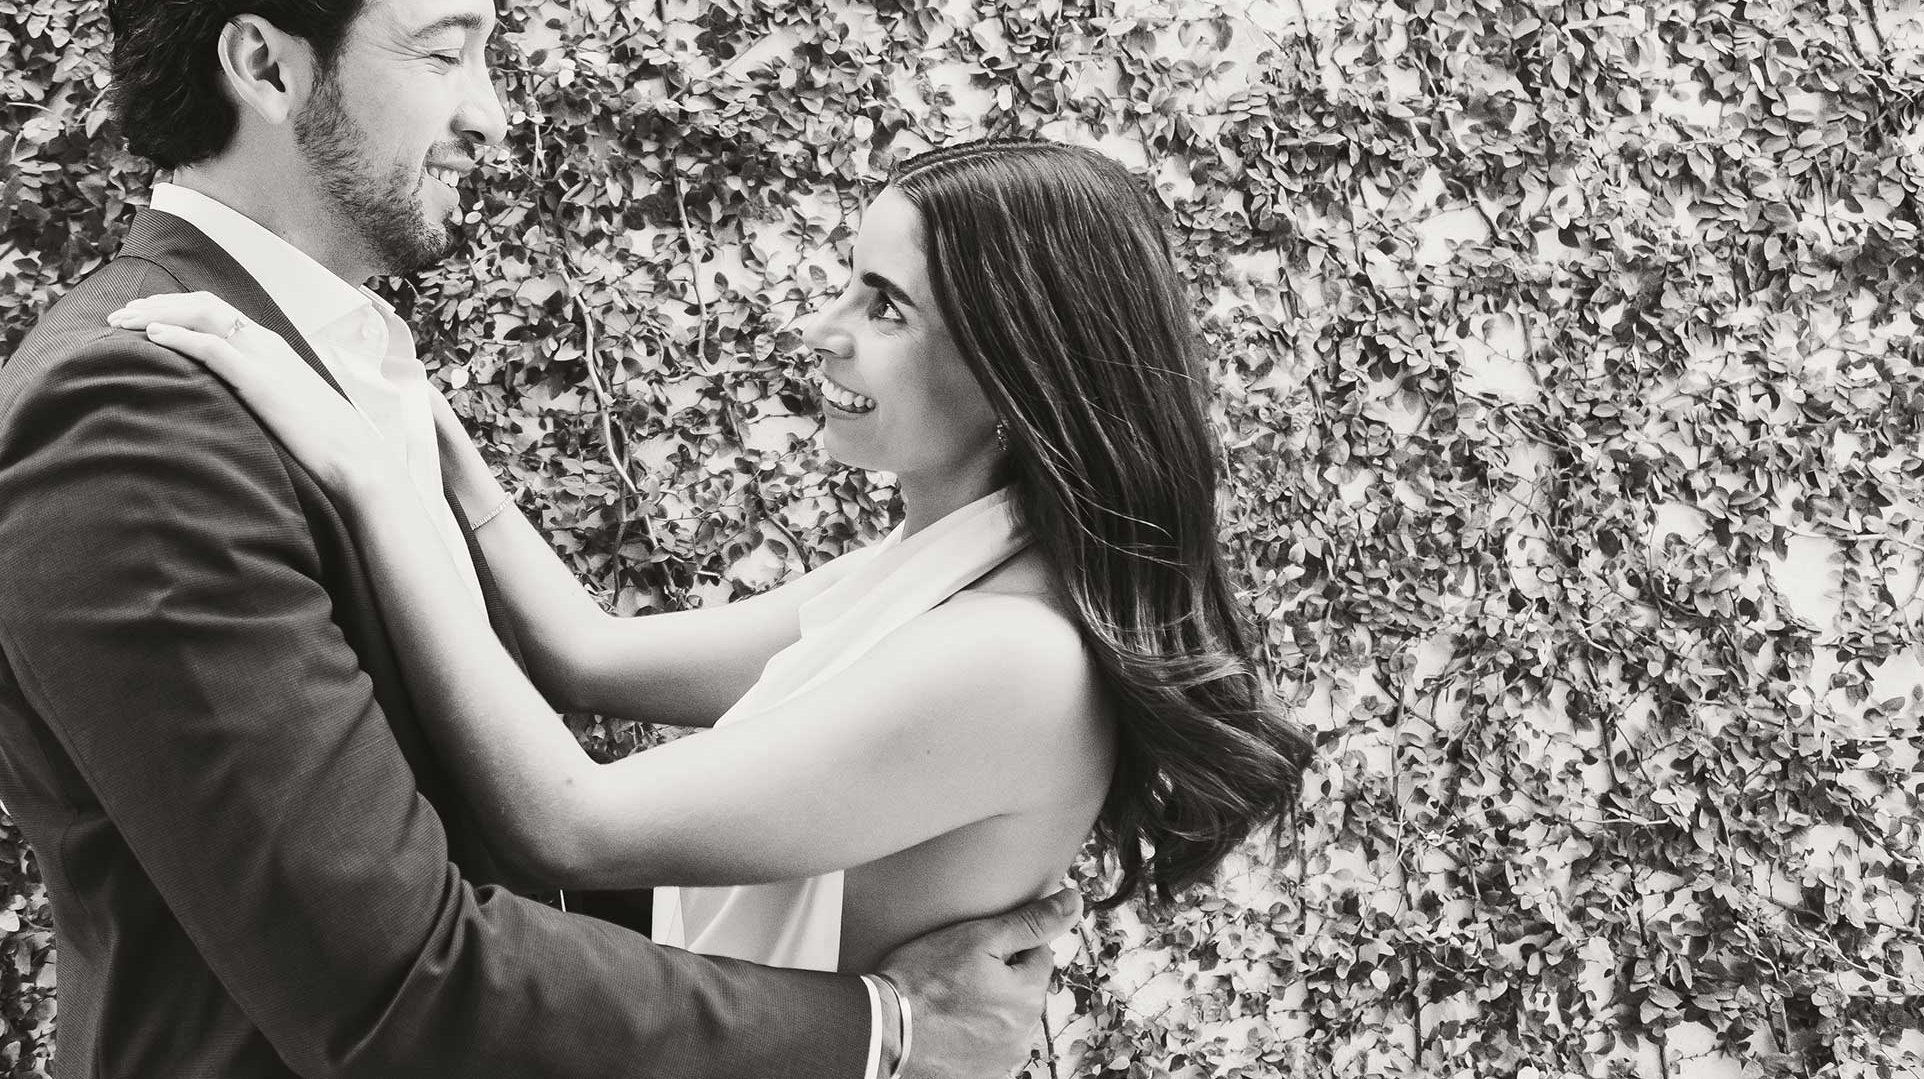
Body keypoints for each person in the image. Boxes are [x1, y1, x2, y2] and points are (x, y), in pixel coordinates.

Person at [0, 0, 1076, 1079]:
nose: (491, 113)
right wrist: (877, 1031)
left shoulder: (332, 369)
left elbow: (471, 851)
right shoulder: (134, 417)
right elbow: (392, 983)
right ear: (266, 65)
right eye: (444, 54)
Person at [112, 137, 1313, 978]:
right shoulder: (936, 568)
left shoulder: (1011, 654)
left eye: (885, 306)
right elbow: (585, 653)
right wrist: (405, 411)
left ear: (1019, 372)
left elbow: (570, 823)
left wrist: (368, 480)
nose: (819, 329)